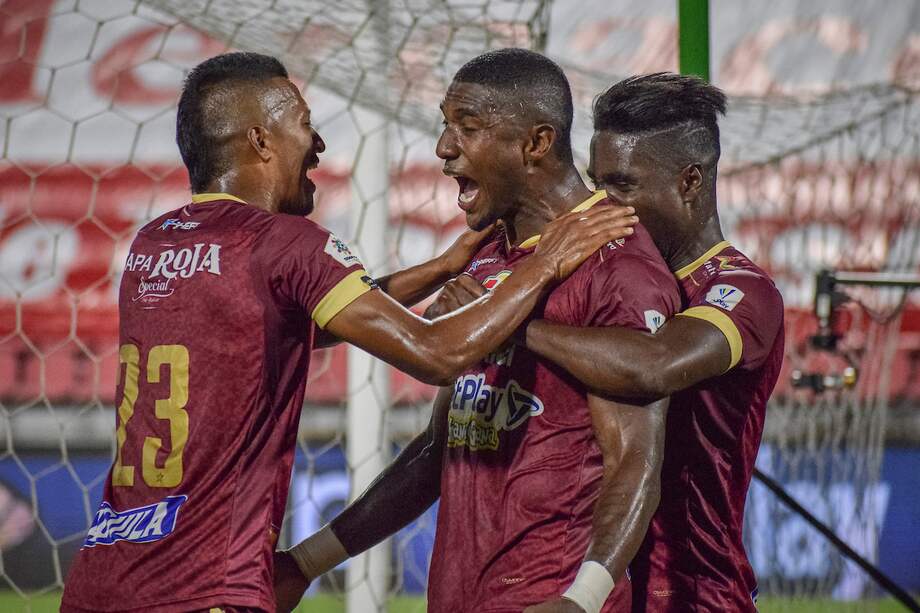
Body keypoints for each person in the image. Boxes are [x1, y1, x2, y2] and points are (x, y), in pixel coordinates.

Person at [59, 52, 636, 613]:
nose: (318, 144)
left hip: (102, 575)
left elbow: (292, 324)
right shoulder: (286, 243)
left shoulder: (154, 245)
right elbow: (438, 354)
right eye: (305, 126)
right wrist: (543, 264)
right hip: (205, 585)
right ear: (261, 141)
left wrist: (437, 269)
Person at [274, 49, 681, 613]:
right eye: (445, 125)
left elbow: (635, 460)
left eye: (466, 127)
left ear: (536, 144)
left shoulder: (615, 268)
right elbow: (441, 448)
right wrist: (307, 562)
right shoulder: (488, 256)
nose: (443, 148)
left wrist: (582, 599)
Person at [508, 73, 784, 611]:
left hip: (690, 591)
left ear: (689, 182)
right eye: (597, 183)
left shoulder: (743, 293)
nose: (601, 204)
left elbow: (652, 364)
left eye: (623, 186)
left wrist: (513, 326)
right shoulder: (601, 279)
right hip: (598, 586)